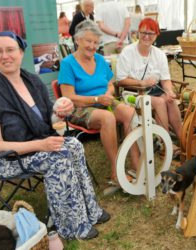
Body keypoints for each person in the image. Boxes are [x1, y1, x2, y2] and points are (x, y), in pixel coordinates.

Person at [0, 31, 110, 240]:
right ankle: (72, 225)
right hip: (6, 157)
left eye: (10, 50)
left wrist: (60, 109)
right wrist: (42, 145)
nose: (5, 56)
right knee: (58, 158)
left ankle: (90, 210)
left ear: (21, 53)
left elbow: (51, 117)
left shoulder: (32, 81)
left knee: (73, 145)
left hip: (35, 143)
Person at [58, 20, 139, 189]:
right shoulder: (67, 64)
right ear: (77, 40)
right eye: (89, 41)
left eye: (96, 42)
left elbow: (110, 83)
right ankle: (116, 173)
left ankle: (136, 164)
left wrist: (108, 94)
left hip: (104, 101)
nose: (93, 46)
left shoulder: (100, 60)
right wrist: (97, 99)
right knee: (107, 117)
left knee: (129, 112)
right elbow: (69, 97)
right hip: (79, 108)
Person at [116, 18, 182, 154]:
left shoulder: (159, 54)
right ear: (137, 33)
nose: (146, 36)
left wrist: (169, 91)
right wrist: (141, 83)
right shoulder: (127, 52)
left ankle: (183, 140)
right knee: (159, 102)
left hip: (153, 91)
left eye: (151, 33)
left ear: (157, 35)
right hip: (132, 94)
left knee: (170, 101)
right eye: (143, 32)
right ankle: (166, 143)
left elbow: (165, 79)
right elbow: (121, 80)